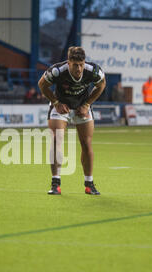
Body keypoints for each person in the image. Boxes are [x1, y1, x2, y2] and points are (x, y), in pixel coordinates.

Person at [38, 46, 106, 196]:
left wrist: (87, 104)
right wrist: (56, 102)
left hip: (82, 107)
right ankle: (56, 183)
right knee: (57, 140)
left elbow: (101, 85)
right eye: (75, 65)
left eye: (81, 64)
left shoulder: (93, 71)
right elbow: (42, 85)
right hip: (61, 107)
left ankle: (89, 184)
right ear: (68, 63)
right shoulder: (57, 71)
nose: (79, 68)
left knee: (86, 143)